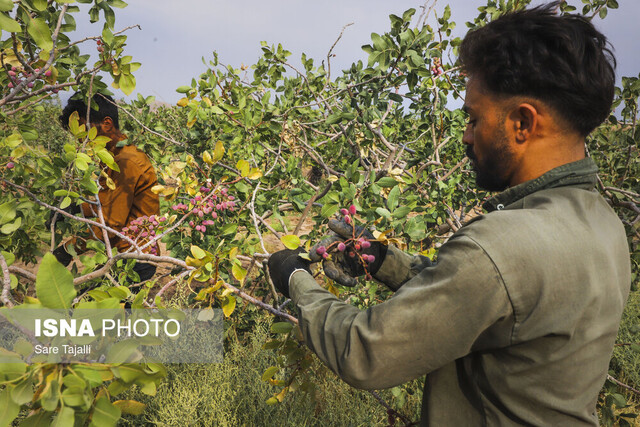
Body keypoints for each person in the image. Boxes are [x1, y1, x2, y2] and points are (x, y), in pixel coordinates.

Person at [267, 3, 631, 425]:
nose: (465, 135)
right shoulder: (604, 222)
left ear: (522, 123)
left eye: (474, 118)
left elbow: (366, 351)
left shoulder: (499, 247)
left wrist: (296, 279)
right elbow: (498, 303)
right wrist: (387, 262)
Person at [52, 92, 160, 283]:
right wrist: (74, 207)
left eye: (85, 133)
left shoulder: (127, 162)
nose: (81, 142)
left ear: (107, 124)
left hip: (134, 258)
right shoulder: (114, 157)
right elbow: (107, 202)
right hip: (124, 254)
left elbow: (110, 224)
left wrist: (66, 251)